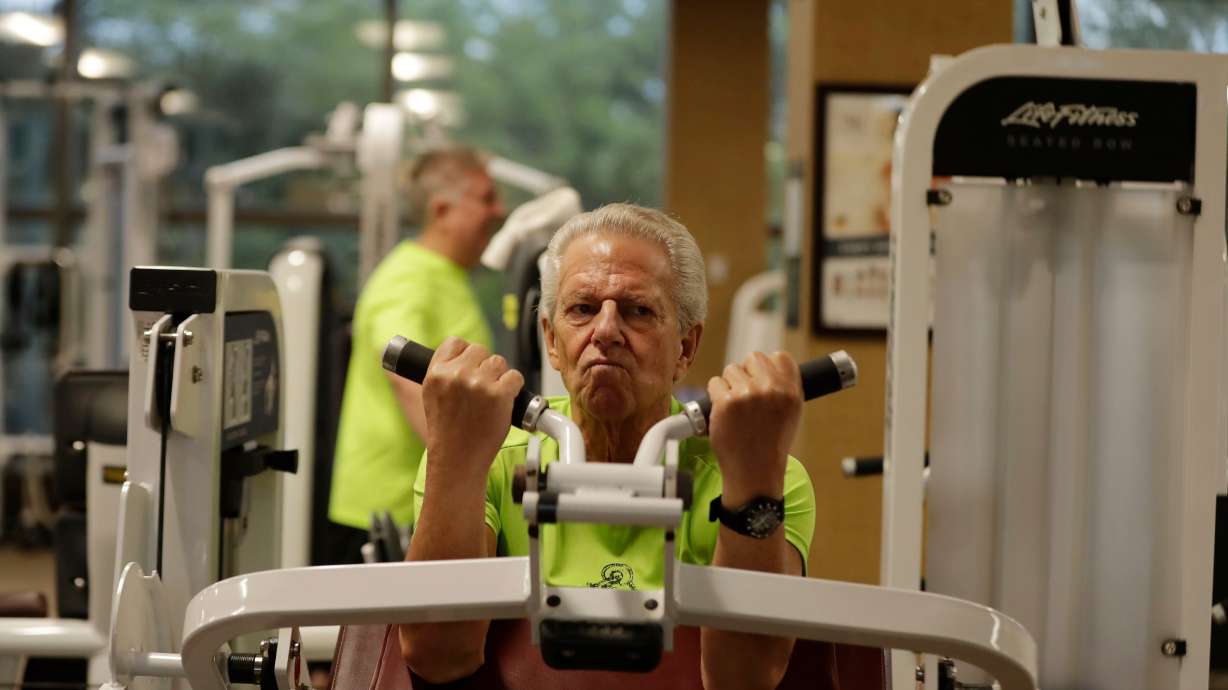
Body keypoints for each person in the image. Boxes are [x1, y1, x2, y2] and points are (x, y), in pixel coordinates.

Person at [401, 203, 816, 689]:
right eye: (582, 309)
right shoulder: (486, 458)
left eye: (638, 311)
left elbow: (745, 678)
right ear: (552, 341)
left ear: (685, 347)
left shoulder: (768, 477)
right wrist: (454, 456)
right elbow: (436, 655)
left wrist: (752, 478)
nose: (606, 331)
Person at [325, 146, 506, 564]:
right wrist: (480, 471)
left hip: (418, 504)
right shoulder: (408, 277)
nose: (498, 211)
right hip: (387, 513)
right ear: (442, 209)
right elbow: (405, 377)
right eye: (486, 198)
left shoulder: (447, 277)